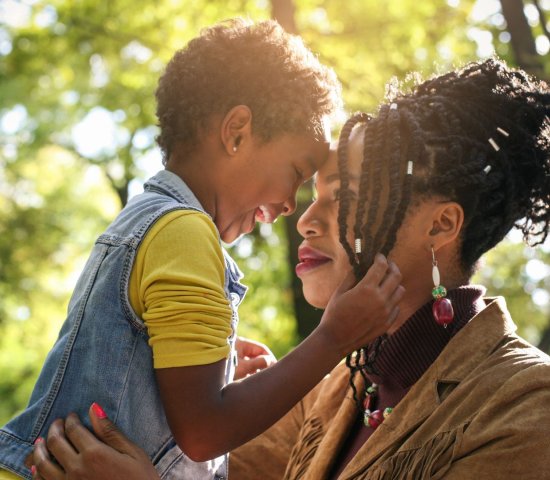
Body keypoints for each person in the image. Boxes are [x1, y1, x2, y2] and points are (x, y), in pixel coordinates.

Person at [31, 57, 550, 479]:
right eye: (309, 192)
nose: (305, 220)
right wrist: (167, 368)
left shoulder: (525, 405)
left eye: (345, 197)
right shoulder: (334, 388)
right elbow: (199, 452)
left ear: (440, 226)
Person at [0, 19, 406, 480]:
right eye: (296, 171)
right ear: (236, 132)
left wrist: (218, 376)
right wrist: (334, 338)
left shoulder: (145, 220)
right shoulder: (185, 234)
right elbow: (205, 432)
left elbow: (154, 396)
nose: (292, 205)